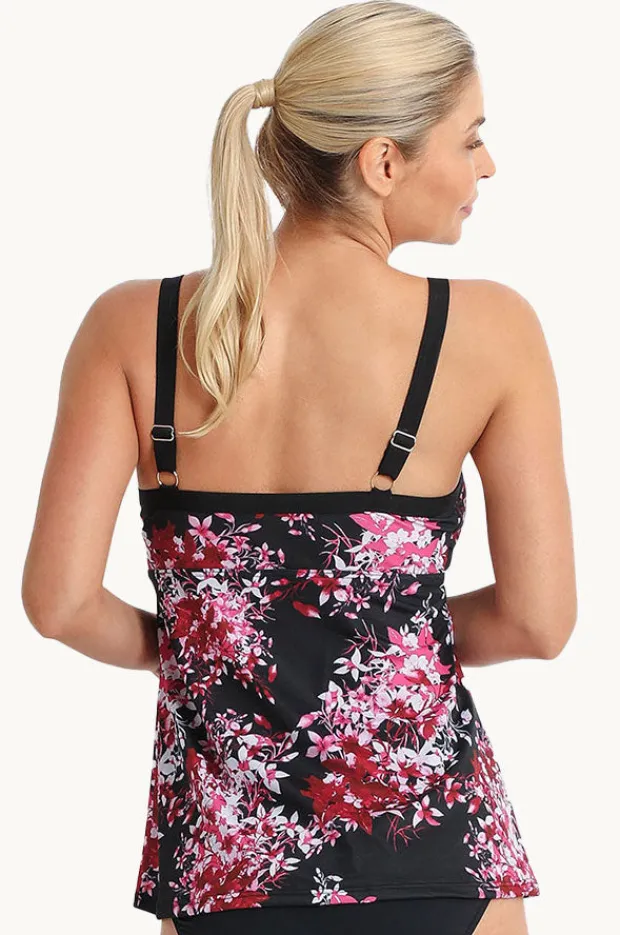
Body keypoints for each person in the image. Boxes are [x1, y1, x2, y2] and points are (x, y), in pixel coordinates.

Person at [21, 3, 577, 935]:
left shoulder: (133, 328)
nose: (488, 166)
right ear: (383, 161)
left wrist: (223, 640)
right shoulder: (491, 332)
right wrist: (377, 639)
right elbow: (539, 619)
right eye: (471, 137)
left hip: (221, 870)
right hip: (437, 859)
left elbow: (60, 602)